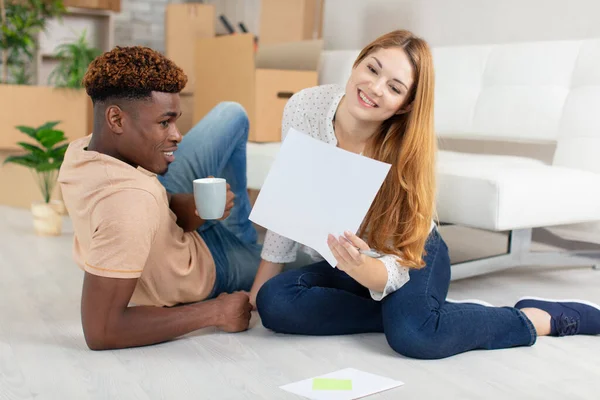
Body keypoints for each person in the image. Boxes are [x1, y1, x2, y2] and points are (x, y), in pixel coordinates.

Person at [251, 30, 600, 359]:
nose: (373, 88)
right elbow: (289, 204)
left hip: (407, 253)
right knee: (274, 302)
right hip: (345, 259)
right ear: (358, 63)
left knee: (415, 336)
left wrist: (364, 269)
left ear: (404, 104)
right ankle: (413, 313)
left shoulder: (407, 148)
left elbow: (399, 258)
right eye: (372, 69)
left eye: (394, 87)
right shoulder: (305, 107)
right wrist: (258, 289)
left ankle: (541, 317)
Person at [58, 46, 261, 350]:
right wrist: (216, 311)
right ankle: (241, 237)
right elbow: (102, 331)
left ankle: (237, 225)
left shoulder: (84, 150)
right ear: (116, 119)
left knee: (232, 114)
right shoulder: (128, 206)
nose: (177, 134)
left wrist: (195, 208)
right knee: (296, 266)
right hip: (211, 264)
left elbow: (157, 200)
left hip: (175, 231)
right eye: (165, 122)